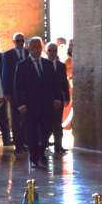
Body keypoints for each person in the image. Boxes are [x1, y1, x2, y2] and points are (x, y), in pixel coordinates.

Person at [15, 37, 61, 168]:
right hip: (30, 105)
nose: (37, 49)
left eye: (39, 46)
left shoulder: (47, 64)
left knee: (46, 130)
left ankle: (42, 151)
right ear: (29, 49)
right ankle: (34, 157)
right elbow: (18, 86)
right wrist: (21, 104)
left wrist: (57, 98)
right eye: (34, 46)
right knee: (32, 132)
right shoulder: (22, 65)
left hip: (47, 105)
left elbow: (55, 84)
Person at [2, 32, 29, 153]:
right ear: (13, 42)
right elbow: (5, 74)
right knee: (16, 117)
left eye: (22, 41)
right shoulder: (8, 54)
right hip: (13, 92)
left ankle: (25, 141)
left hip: (27, 91)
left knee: (27, 118)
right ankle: (18, 144)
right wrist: (6, 91)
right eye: (17, 41)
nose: (20, 43)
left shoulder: (28, 53)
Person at [46, 42, 71, 153]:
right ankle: (44, 143)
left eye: (54, 50)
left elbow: (64, 82)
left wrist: (67, 96)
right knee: (45, 123)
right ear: (46, 51)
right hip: (45, 99)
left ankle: (58, 146)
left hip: (58, 98)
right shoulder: (42, 64)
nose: (52, 52)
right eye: (50, 50)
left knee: (57, 122)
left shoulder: (62, 66)